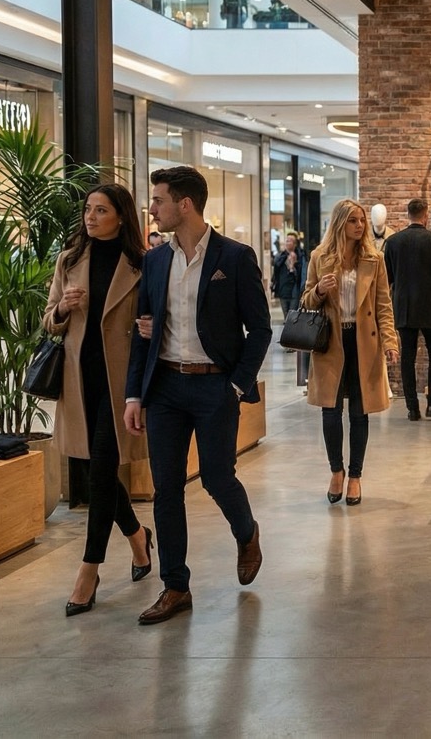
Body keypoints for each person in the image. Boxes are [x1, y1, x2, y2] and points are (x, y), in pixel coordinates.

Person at [124, 166, 272, 625]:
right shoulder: (154, 260)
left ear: (184, 204)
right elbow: (142, 333)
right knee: (167, 488)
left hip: (214, 384)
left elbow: (261, 329)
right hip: (165, 385)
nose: (152, 208)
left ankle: (246, 533)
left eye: (159, 200)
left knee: (216, 477)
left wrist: (234, 383)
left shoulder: (235, 256)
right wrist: (134, 394)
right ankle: (175, 586)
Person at [44, 184, 153, 616]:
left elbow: (152, 321)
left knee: (102, 469)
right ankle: (138, 539)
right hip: (78, 381)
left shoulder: (142, 265)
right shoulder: (70, 259)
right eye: (88, 209)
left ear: (121, 217)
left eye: (101, 210)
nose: (91, 217)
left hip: (120, 383)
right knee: (97, 471)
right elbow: (49, 320)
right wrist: (62, 310)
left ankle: (88, 570)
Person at [302, 200, 399, 505]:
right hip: (330, 342)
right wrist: (319, 291)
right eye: (354, 221)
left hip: (363, 341)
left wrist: (390, 341)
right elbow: (305, 302)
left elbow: (383, 304)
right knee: (330, 412)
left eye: (362, 221)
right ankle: (336, 472)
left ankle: (355, 476)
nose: (361, 226)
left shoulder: (374, 259)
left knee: (359, 412)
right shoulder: (320, 257)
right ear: (340, 223)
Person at [383, 198, 431, 420]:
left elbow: (388, 277)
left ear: (408, 214)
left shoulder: (393, 242)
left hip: (405, 306)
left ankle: (412, 409)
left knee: (407, 358)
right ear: (425, 214)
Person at [271, 232, 305, 317]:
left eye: (290, 241)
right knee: (286, 316)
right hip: (283, 289)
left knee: (292, 316)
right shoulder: (280, 256)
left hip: (295, 290)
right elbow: (276, 267)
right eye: (287, 241)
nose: (288, 243)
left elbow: (302, 272)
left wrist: (294, 263)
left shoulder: (300, 256)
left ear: (295, 244)